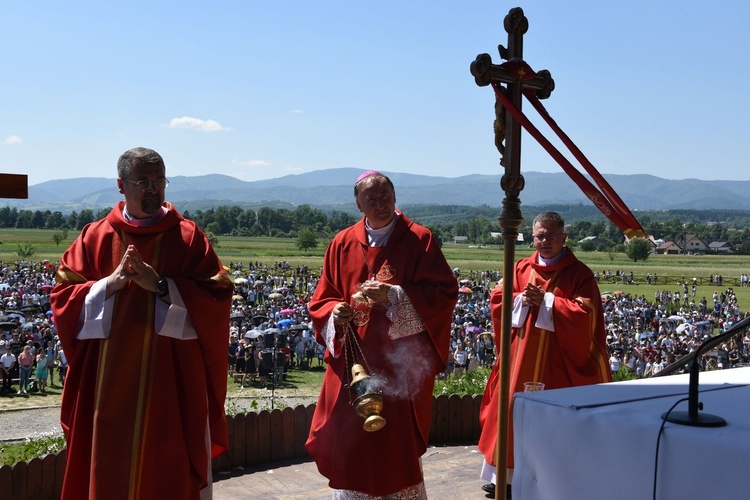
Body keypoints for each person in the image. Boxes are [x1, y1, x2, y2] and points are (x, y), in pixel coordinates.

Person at [50, 147, 233, 500]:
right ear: (121, 185)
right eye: (143, 182)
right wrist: (109, 284)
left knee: (166, 468)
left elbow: (217, 296)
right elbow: (61, 298)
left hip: (169, 381)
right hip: (107, 382)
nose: (153, 190)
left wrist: (161, 286)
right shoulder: (96, 236)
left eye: (159, 181)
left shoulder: (188, 238)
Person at [305, 171, 458, 498]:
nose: (380, 204)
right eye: (371, 199)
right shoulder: (342, 242)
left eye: (385, 196)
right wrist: (335, 312)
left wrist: (396, 296)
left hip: (397, 366)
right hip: (352, 363)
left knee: (392, 445)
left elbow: (443, 294)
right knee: (351, 439)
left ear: (395, 197)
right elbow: (323, 297)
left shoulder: (419, 239)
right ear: (358, 203)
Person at [477, 212, 611, 498]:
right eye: (540, 235)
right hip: (521, 357)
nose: (545, 241)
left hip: (557, 363)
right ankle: (505, 475)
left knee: (550, 419)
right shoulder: (520, 267)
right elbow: (499, 299)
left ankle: (551, 478)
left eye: (551, 235)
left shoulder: (579, 274)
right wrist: (520, 300)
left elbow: (586, 313)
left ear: (563, 237)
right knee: (511, 411)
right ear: (532, 236)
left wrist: (548, 302)